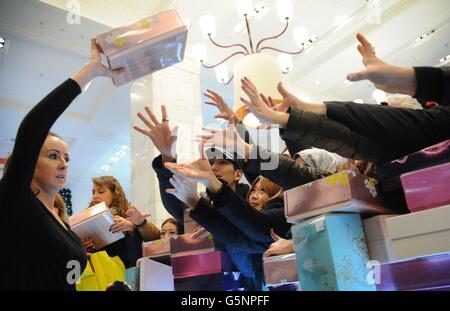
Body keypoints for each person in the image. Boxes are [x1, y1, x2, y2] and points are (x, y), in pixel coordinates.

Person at [0, 39, 123, 290]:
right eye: (54, 156)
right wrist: (90, 71)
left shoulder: (61, 220)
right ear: (29, 162)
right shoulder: (17, 200)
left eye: (67, 158)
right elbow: (33, 126)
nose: (64, 164)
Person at [238, 31, 450, 164]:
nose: (380, 111)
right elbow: (347, 138)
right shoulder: (386, 155)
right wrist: (292, 115)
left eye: (387, 109)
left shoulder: (429, 135)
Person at [82, 176, 159, 268]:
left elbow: (156, 238)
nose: (94, 196)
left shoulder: (129, 216)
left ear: (115, 194)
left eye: (101, 192)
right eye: (93, 192)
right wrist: (83, 246)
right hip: (100, 274)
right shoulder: (88, 220)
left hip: (125, 274)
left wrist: (132, 229)